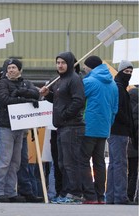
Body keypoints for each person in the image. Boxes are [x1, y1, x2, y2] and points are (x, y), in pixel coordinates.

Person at [0, 58, 40, 202]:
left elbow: (36, 94)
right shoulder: (3, 83)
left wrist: (21, 92)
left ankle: (10, 191)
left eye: (14, 67)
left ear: (19, 70)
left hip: (20, 127)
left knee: (15, 162)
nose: (11, 70)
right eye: (9, 67)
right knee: (4, 161)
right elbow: (4, 100)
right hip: (5, 126)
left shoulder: (25, 83)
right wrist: (25, 100)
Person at [40, 51, 85, 204]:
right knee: (62, 162)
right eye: (58, 62)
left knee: (71, 162)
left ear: (70, 64)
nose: (60, 65)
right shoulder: (60, 80)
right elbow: (60, 102)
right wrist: (47, 95)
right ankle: (66, 193)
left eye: (63, 62)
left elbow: (78, 101)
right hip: (61, 127)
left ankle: (75, 194)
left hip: (72, 127)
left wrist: (65, 115)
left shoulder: (74, 79)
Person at [79, 56, 118, 204]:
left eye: (85, 66)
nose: (83, 68)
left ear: (91, 67)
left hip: (88, 127)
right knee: (99, 162)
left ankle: (90, 195)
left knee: (83, 161)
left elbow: (78, 100)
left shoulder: (89, 82)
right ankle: (100, 196)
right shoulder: (113, 84)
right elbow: (114, 109)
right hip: (104, 128)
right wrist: (108, 124)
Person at [106, 60, 135, 205]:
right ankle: (120, 196)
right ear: (120, 71)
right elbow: (119, 111)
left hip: (113, 130)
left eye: (130, 72)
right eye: (126, 71)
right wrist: (129, 124)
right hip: (119, 131)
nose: (128, 74)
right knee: (120, 164)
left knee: (114, 164)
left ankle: (111, 196)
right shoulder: (119, 88)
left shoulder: (117, 86)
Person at [17, 131, 43, 202]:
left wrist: (33, 128)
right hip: (9, 130)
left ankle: (26, 191)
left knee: (24, 161)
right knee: (9, 162)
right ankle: (8, 192)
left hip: (23, 133)